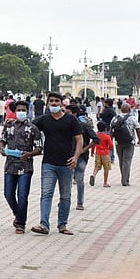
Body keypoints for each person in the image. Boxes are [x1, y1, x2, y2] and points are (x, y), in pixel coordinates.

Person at [30, 93, 82, 235]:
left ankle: (62, 225)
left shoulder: (71, 120)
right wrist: (12, 122)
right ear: (47, 104)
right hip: (48, 163)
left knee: (65, 196)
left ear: (62, 103)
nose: (53, 103)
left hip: (67, 163)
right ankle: (44, 225)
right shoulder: (44, 120)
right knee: (46, 194)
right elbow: (28, 128)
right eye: (51, 101)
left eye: (56, 101)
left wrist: (76, 157)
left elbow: (79, 139)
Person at [0, 100, 44, 234]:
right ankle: (17, 213)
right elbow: (2, 141)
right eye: (19, 110)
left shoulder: (33, 128)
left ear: (28, 111)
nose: (21, 112)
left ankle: (21, 223)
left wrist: (29, 154)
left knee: (23, 195)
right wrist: (1, 149)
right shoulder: (9, 126)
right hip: (10, 165)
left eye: (24, 110)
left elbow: (39, 147)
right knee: (8, 194)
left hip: (26, 166)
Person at [67, 104, 99, 211]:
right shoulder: (64, 125)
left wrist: (85, 149)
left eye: (68, 113)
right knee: (66, 180)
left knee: (79, 179)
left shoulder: (84, 126)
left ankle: (80, 202)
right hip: (67, 155)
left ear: (74, 113)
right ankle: (65, 200)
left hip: (81, 157)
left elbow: (96, 139)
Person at [110, 103, 140, 187]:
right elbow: (138, 129)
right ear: (129, 110)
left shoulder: (115, 118)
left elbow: (111, 131)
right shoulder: (132, 118)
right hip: (129, 143)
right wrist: (139, 141)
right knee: (126, 161)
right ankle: (125, 180)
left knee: (121, 160)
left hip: (118, 142)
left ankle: (123, 177)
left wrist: (110, 141)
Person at [90, 121, 114, 187]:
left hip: (97, 153)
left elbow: (93, 145)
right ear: (105, 128)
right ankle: (105, 183)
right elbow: (111, 146)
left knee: (97, 166)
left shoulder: (96, 136)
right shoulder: (107, 137)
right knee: (106, 168)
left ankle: (93, 175)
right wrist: (109, 149)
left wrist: (92, 152)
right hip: (105, 154)